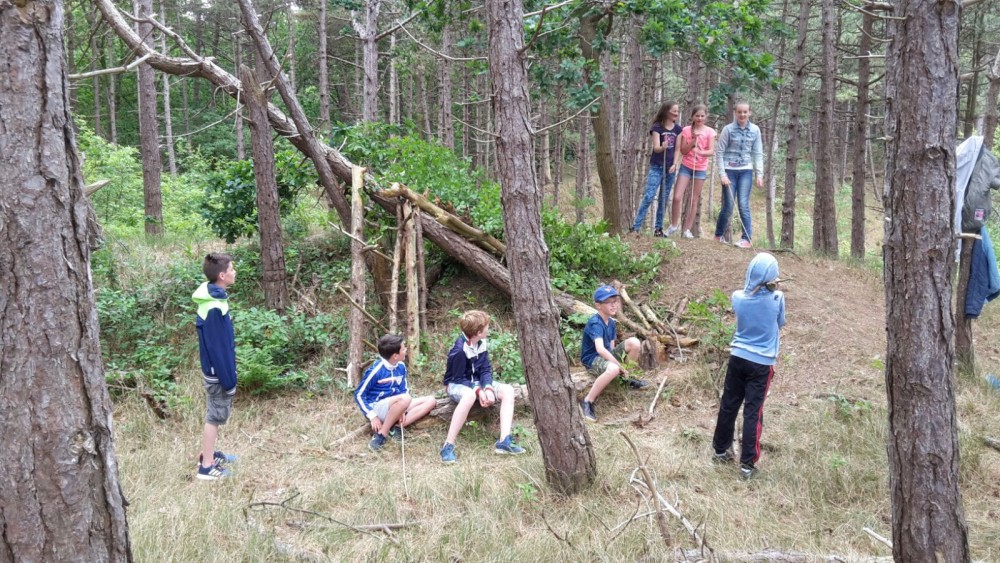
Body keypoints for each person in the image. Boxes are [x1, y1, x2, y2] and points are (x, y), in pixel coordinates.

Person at [711, 253, 786, 480]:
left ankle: (720, 450)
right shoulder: (777, 298)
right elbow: (781, 322)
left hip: (738, 358)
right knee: (753, 410)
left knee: (729, 404)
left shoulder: (737, 297)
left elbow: (750, 293)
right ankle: (747, 464)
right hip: (762, 364)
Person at [439, 310, 525, 463]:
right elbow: (458, 378)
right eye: (487, 327)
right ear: (478, 332)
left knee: (508, 390)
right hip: (456, 384)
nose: (488, 329)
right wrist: (479, 391)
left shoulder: (481, 342)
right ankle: (448, 445)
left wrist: (488, 388)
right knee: (469, 395)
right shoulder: (459, 350)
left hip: (477, 383)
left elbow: (485, 369)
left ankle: (504, 441)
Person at [193, 253, 239, 481]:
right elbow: (217, 349)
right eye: (231, 269)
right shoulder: (213, 307)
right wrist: (228, 381)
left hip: (217, 370)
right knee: (214, 416)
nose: (234, 272)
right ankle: (207, 467)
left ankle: (209, 454)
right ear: (222, 275)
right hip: (216, 373)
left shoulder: (216, 298)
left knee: (216, 413)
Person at [354, 334, 436, 452]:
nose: (406, 349)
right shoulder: (376, 370)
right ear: (395, 356)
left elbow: (404, 390)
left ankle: (396, 427)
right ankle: (382, 434)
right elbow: (359, 394)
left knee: (431, 400)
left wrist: (401, 410)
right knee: (405, 399)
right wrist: (372, 416)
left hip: (396, 404)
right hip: (377, 408)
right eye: (403, 348)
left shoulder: (401, 366)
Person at [579, 285, 647, 422]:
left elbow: (610, 347)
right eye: (609, 302)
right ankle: (587, 401)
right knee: (614, 368)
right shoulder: (595, 323)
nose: (614, 305)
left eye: (615, 301)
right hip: (592, 359)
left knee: (634, 342)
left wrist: (617, 362)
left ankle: (624, 380)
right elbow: (600, 349)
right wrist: (618, 365)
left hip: (605, 356)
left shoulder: (611, 322)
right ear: (598, 305)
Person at [714, 101, 764, 248]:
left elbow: (757, 153)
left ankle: (746, 239)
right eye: (739, 112)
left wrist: (759, 174)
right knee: (728, 206)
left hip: (746, 170)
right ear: (735, 113)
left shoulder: (755, 130)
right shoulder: (728, 129)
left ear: (749, 113)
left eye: (745, 112)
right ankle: (718, 236)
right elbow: (720, 152)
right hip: (729, 170)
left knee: (743, 204)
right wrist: (722, 174)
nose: (742, 114)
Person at [631, 102, 683, 236]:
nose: (676, 113)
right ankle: (635, 227)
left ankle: (658, 229)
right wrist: (662, 147)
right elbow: (656, 148)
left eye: (677, 111)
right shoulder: (657, 128)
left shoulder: (678, 129)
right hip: (657, 167)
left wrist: (674, 164)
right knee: (649, 196)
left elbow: (677, 149)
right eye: (674, 111)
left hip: (670, 169)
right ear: (666, 111)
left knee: (664, 198)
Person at [666, 104, 717, 239]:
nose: (699, 118)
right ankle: (674, 225)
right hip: (686, 166)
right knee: (677, 197)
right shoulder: (686, 130)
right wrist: (693, 141)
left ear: (706, 117)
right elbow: (683, 150)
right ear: (692, 117)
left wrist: (700, 152)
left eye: (702, 116)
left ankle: (687, 230)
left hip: (700, 168)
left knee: (694, 200)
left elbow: (711, 151)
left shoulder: (710, 132)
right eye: (697, 116)